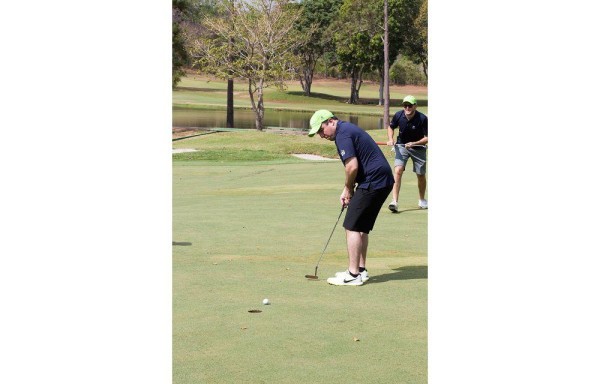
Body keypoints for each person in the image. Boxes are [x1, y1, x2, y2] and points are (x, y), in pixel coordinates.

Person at [308, 110, 394, 286]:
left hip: (374, 180)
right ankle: (360, 271)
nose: (321, 135)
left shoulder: (342, 134)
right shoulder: (346, 130)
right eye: (317, 132)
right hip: (381, 180)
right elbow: (354, 168)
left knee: (352, 225)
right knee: (361, 226)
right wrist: (347, 189)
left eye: (321, 130)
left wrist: (348, 189)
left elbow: (352, 167)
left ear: (331, 121)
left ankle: (353, 274)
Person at [386, 95, 428, 212]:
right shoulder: (399, 115)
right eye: (405, 105)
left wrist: (414, 143)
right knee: (398, 170)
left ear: (415, 106)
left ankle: (422, 200)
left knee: (420, 175)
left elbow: (427, 137)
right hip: (402, 146)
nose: (407, 108)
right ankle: (394, 201)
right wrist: (390, 139)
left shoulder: (422, 118)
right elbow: (391, 127)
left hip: (418, 148)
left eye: (410, 105)